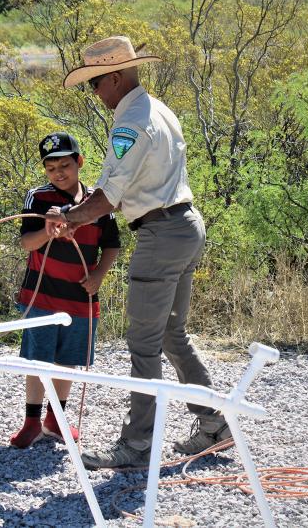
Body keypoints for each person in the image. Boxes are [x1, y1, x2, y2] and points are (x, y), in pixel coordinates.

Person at [46, 36, 232, 469]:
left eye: (96, 84)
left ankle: (136, 446)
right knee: (171, 336)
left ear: (114, 77)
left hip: (161, 233)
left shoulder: (130, 122)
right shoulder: (157, 108)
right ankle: (212, 425)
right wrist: (79, 210)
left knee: (144, 344)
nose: (95, 94)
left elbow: (110, 197)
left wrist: (70, 218)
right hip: (184, 226)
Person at [10, 132, 121, 448]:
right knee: (37, 359)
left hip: (80, 296)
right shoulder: (37, 197)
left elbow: (112, 244)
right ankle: (31, 421)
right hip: (41, 294)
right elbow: (26, 243)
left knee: (67, 360)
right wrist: (48, 231)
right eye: (51, 167)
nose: (59, 172)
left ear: (79, 162)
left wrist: (99, 273)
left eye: (65, 164)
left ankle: (55, 420)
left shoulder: (99, 200)